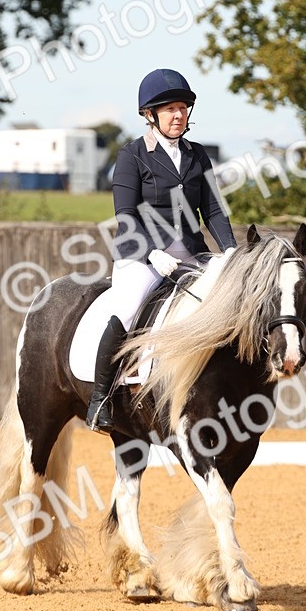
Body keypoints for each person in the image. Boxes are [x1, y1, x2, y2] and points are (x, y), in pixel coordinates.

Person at [85, 68, 237, 432]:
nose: (178, 115)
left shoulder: (197, 155)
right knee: (127, 309)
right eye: (170, 109)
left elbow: (213, 210)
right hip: (141, 254)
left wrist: (231, 251)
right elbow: (125, 214)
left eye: (182, 108)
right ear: (150, 114)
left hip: (191, 253)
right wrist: (152, 252)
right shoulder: (132, 155)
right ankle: (100, 398)